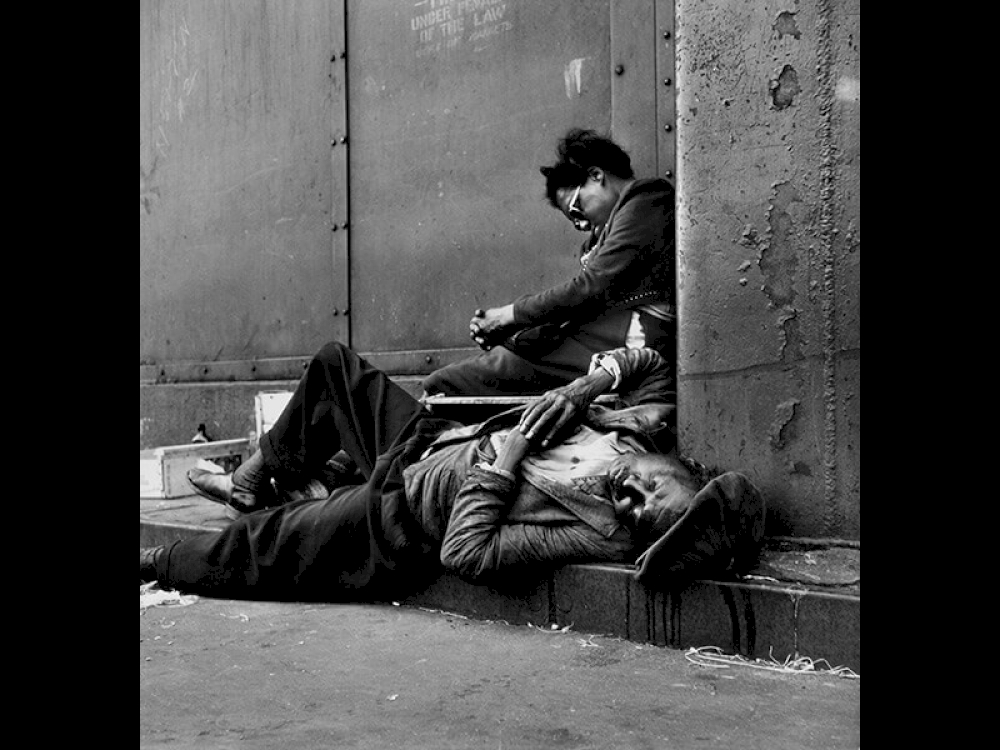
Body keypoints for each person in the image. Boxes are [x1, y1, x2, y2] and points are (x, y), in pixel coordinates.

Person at [140, 341, 765, 601]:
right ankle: (255, 480)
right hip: (425, 442)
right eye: (650, 489)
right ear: (686, 467)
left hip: (402, 513)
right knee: (337, 368)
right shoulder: (641, 424)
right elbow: (649, 359)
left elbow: (466, 553)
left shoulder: (596, 529)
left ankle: (158, 564)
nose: (629, 498)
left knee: (265, 548)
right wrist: (586, 388)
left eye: (639, 520)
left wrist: (504, 465)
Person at [421, 127, 676, 398]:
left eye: (576, 210)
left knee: (450, 382)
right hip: (603, 339)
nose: (579, 224)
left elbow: (589, 287)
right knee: (471, 374)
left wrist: (508, 315)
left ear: (596, 175)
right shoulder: (612, 226)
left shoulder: (646, 199)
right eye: (572, 220)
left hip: (629, 344)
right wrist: (510, 327)